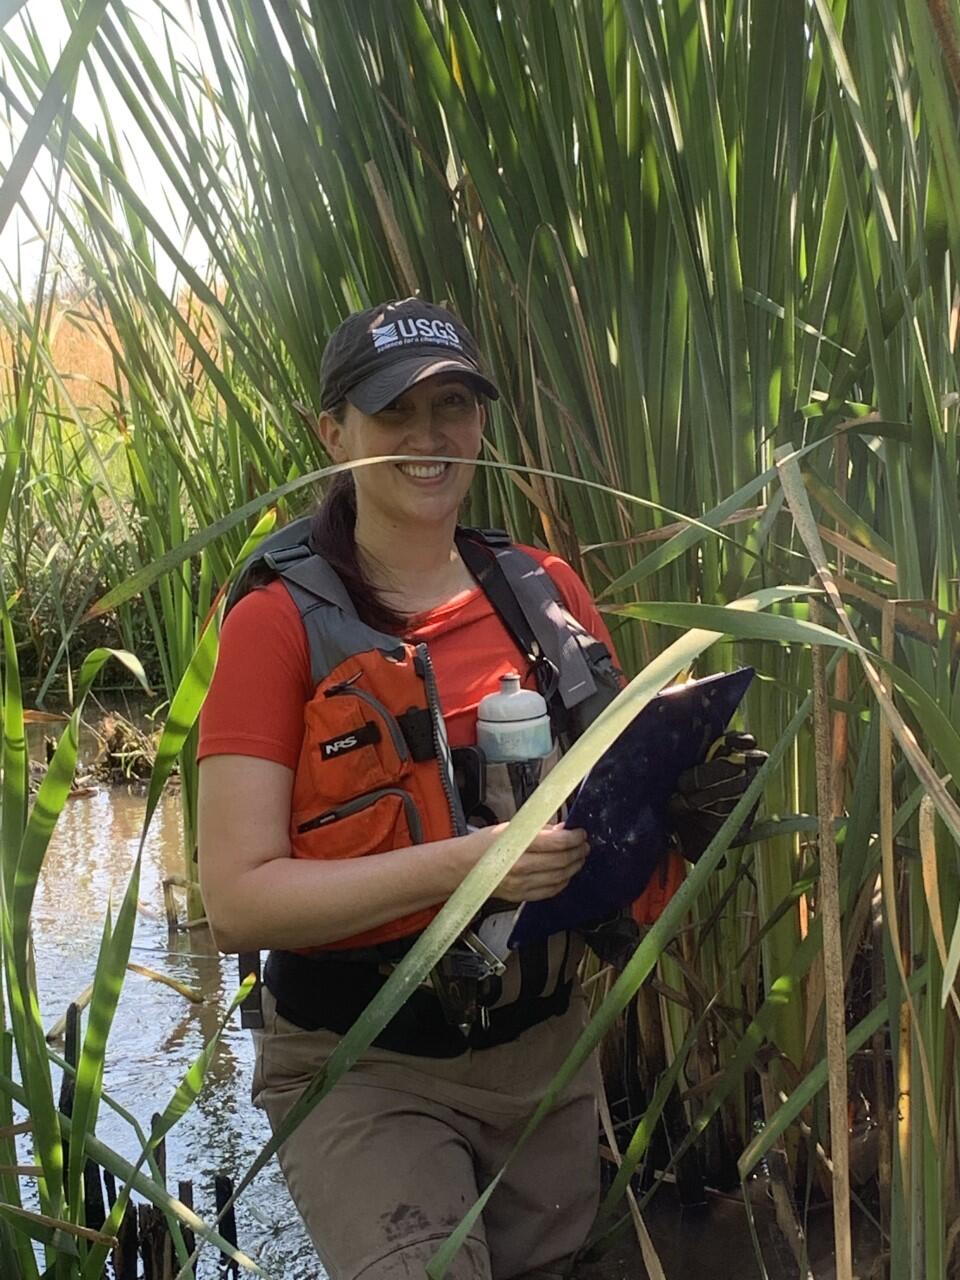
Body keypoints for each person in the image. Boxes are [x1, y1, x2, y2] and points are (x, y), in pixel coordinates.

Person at [197, 298, 762, 1280]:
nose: (429, 435)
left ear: (482, 421)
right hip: (364, 1065)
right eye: (394, 410)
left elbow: (611, 802)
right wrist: (474, 866)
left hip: (545, 1058)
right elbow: (237, 896)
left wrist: (684, 804)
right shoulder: (274, 622)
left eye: (452, 403)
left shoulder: (543, 587)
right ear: (333, 433)